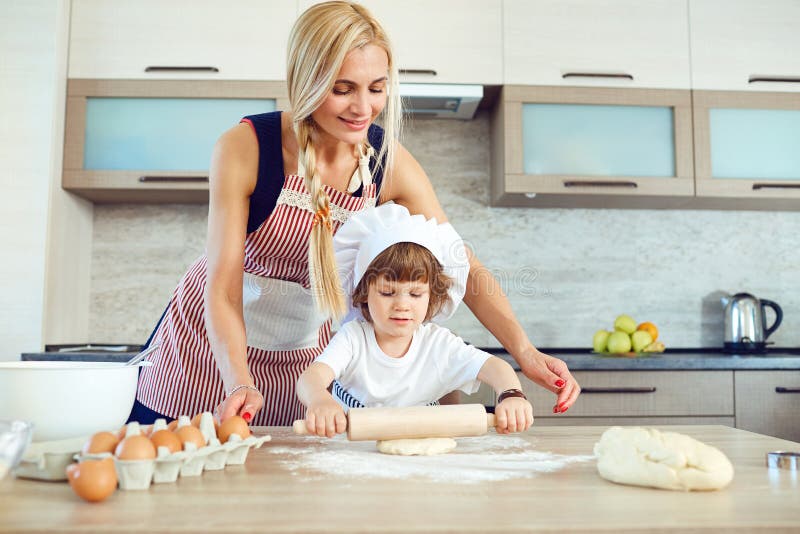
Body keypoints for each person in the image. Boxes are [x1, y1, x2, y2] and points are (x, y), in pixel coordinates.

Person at [128, 0, 580, 427]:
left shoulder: (386, 160)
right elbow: (223, 289)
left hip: (304, 364)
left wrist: (524, 351)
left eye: (376, 88)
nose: (363, 108)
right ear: (305, 81)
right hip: (207, 357)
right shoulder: (247, 148)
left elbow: (461, 261)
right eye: (342, 89)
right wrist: (239, 380)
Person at [297, 204, 533, 437]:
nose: (402, 304)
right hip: (350, 456)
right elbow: (311, 377)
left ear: (432, 296)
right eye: (387, 292)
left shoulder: (437, 343)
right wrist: (320, 400)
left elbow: (494, 367)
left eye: (416, 294)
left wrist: (511, 394)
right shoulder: (353, 339)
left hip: (421, 463)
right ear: (363, 293)